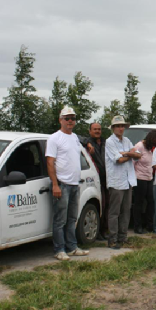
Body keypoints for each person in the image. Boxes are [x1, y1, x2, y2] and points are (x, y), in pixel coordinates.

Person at [45, 106, 89, 261]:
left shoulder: (75, 137)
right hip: (62, 184)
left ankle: (72, 247)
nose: (70, 121)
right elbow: (50, 162)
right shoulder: (54, 138)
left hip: (74, 184)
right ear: (60, 120)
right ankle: (59, 249)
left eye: (73, 118)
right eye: (67, 118)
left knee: (72, 219)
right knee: (60, 220)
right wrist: (55, 184)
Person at [105, 116, 140, 249]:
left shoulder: (127, 140)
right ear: (113, 128)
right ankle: (112, 239)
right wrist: (130, 154)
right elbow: (118, 160)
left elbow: (138, 155)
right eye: (118, 126)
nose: (121, 128)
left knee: (126, 210)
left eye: (122, 126)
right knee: (114, 212)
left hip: (128, 180)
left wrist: (126, 153)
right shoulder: (110, 142)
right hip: (116, 181)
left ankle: (123, 237)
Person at [79, 123, 109, 240]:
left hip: (107, 179)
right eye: (95, 129)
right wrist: (87, 142)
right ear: (90, 130)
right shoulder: (87, 142)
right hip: (95, 179)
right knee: (101, 205)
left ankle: (103, 231)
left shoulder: (105, 143)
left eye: (99, 129)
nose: (97, 131)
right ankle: (98, 232)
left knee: (107, 206)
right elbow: (75, 136)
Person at [131, 130, 156, 234]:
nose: (154, 146)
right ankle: (137, 226)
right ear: (150, 139)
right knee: (139, 202)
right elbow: (132, 162)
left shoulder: (150, 149)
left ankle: (149, 224)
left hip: (149, 178)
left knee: (151, 201)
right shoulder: (139, 146)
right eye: (154, 143)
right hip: (139, 178)